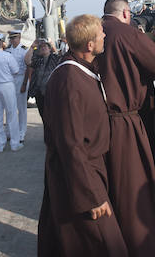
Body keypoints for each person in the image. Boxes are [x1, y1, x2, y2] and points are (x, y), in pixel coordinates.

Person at [37, 14, 127, 256]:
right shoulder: (69, 79)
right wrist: (92, 195)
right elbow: (71, 144)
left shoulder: (82, 71)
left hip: (87, 170)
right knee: (107, 244)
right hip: (80, 176)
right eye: (101, 34)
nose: (105, 36)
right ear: (89, 45)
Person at [97, 0, 155, 257]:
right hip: (127, 120)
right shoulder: (128, 34)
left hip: (97, 121)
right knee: (132, 187)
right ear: (126, 14)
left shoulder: (94, 32)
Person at [22, 39, 60, 121]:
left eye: (45, 46)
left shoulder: (55, 58)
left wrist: (54, 47)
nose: (43, 48)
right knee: (44, 117)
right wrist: (32, 47)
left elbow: (61, 59)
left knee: (54, 116)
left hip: (52, 92)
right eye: (41, 47)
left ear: (49, 48)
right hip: (39, 93)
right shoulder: (37, 59)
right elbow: (27, 61)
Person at [5, 31, 29, 144]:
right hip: (10, 80)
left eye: (15, 38)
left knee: (21, 108)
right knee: (10, 107)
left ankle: (21, 132)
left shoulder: (25, 50)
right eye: (11, 38)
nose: (13, 40)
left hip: (21, 78)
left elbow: (28, 67)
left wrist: (24, 83)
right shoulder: (7, 50)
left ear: (19, 38)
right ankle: (10, 130)